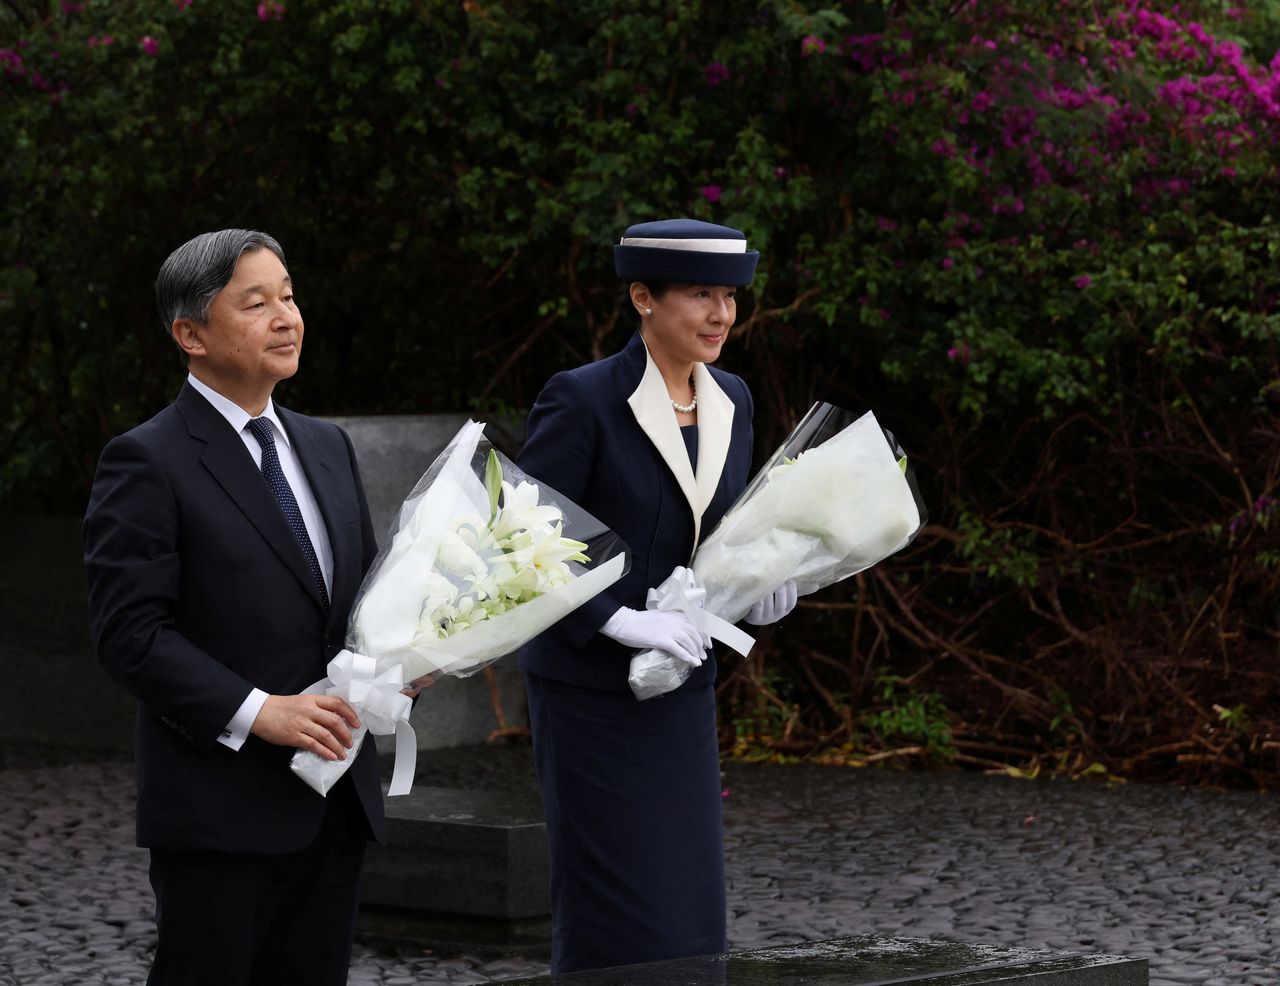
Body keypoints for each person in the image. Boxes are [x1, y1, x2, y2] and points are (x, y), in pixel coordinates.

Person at [83, 229, 383, 986]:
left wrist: (407, 664)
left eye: (287, 295)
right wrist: (259, 711)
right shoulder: (147, 459)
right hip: (220, 811)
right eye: (256, 303)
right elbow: (130, 635)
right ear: (191, 334)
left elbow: (360, 600)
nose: (286, 316)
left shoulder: (327, 445)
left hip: (337, 800)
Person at [517, 218, 799, 973]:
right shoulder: (580, 399)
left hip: (680, 688)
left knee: (688, 900)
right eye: (700, 295)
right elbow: (519, 546)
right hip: (588, 694)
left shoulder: (732, 397)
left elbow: (713, 538)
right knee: (611, 902)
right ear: (642, 297)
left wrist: (760, 588)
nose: (721, 315)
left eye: (731, 297)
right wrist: (615, 621)